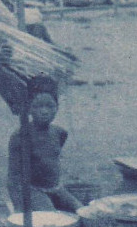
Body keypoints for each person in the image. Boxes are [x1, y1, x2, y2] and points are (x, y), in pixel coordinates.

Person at [7, 76, 82, 213]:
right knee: (51, 218)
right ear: (29, 108)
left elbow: (52, 157)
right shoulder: (20, 136)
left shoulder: (60, 133)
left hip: (56, 188)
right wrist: (18, 204)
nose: (44, 111)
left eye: (50, 106)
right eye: (38, 106)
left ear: (57, 107)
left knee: (83, 211)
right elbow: (13, 177)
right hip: (32, 190)